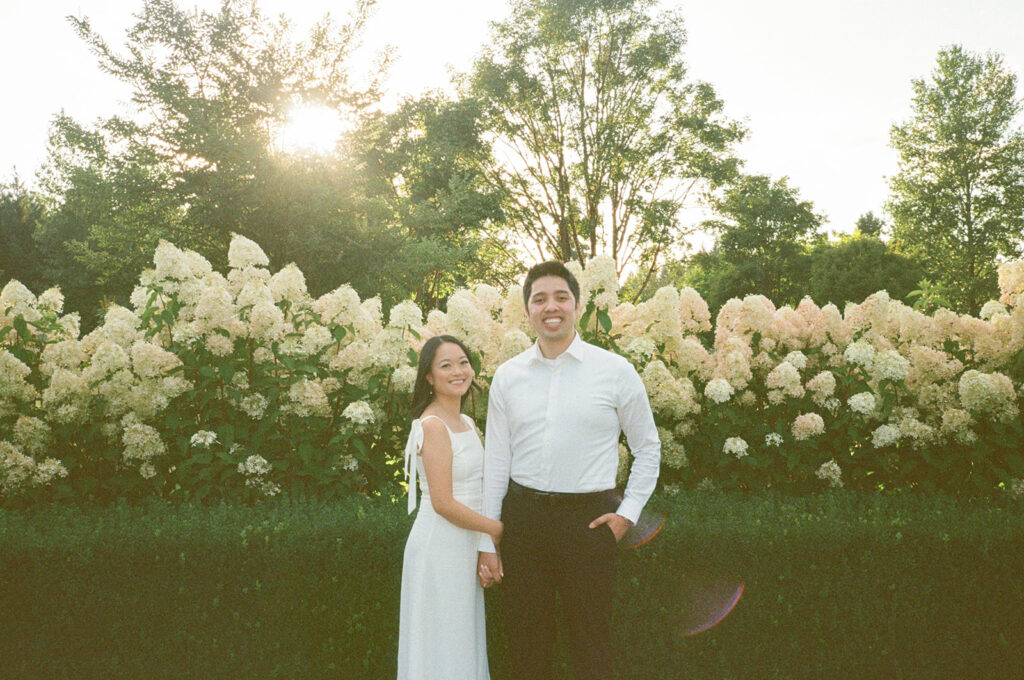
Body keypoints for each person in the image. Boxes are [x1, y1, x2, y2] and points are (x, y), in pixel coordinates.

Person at [477, 261, 661, 680]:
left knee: (591, 644)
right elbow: (496, 463)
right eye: (539, 299)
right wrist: (488, 539)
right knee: (526, 644)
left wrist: (627, 514)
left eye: (561, 297)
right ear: (527, 310)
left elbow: (648, 447)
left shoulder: (615, 371)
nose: (551, 307)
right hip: (523, 522)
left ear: (577, 305)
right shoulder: (508, 377)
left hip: (588, 522)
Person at [397, 335, 503, 680]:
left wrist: (485, 545)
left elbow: (480, 489)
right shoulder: (433, 426)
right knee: (440, 640)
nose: (458, 371)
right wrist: (496, 529)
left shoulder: (467, 423)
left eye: (463, 362)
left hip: (465, 544)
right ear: (429, 377)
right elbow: (442, 503)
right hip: (439, 546)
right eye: (446, 366)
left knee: (461, 639)